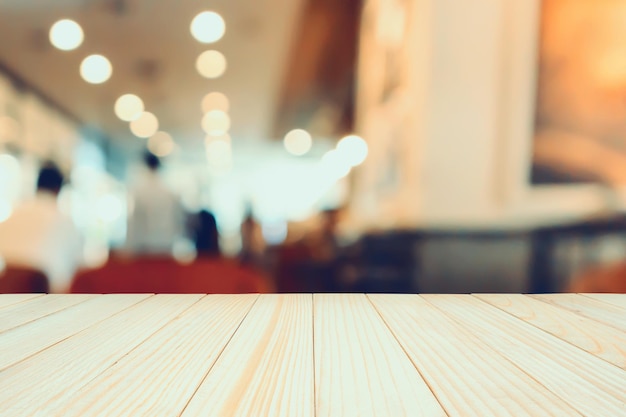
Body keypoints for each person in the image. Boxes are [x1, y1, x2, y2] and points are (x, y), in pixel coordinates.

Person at [0, 161, 82, 293]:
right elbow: (76, 268)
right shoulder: (64, 221)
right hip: (45, 299)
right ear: (58, 189)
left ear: (36, 185)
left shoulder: (15, 213)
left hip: (6, 296)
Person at [125, 151, 185, 255]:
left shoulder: (139, 191)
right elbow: (178, 221)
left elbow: (134, 223)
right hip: (166, 245)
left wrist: (128, 246)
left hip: (144, 247)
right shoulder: (169, 191)